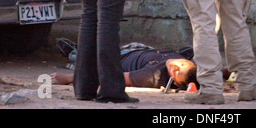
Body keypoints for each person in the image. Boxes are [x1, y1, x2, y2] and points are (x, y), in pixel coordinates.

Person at [52, 41, 199, 91]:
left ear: (172, 81)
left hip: (117, 58)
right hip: (144, 49)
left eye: (175, 72)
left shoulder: (151, 76)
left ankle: (74, 53)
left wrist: (72, 78)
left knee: (87, 58)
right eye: (182, 63)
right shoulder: (192, 68)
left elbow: (113, 77)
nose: (174, 66)